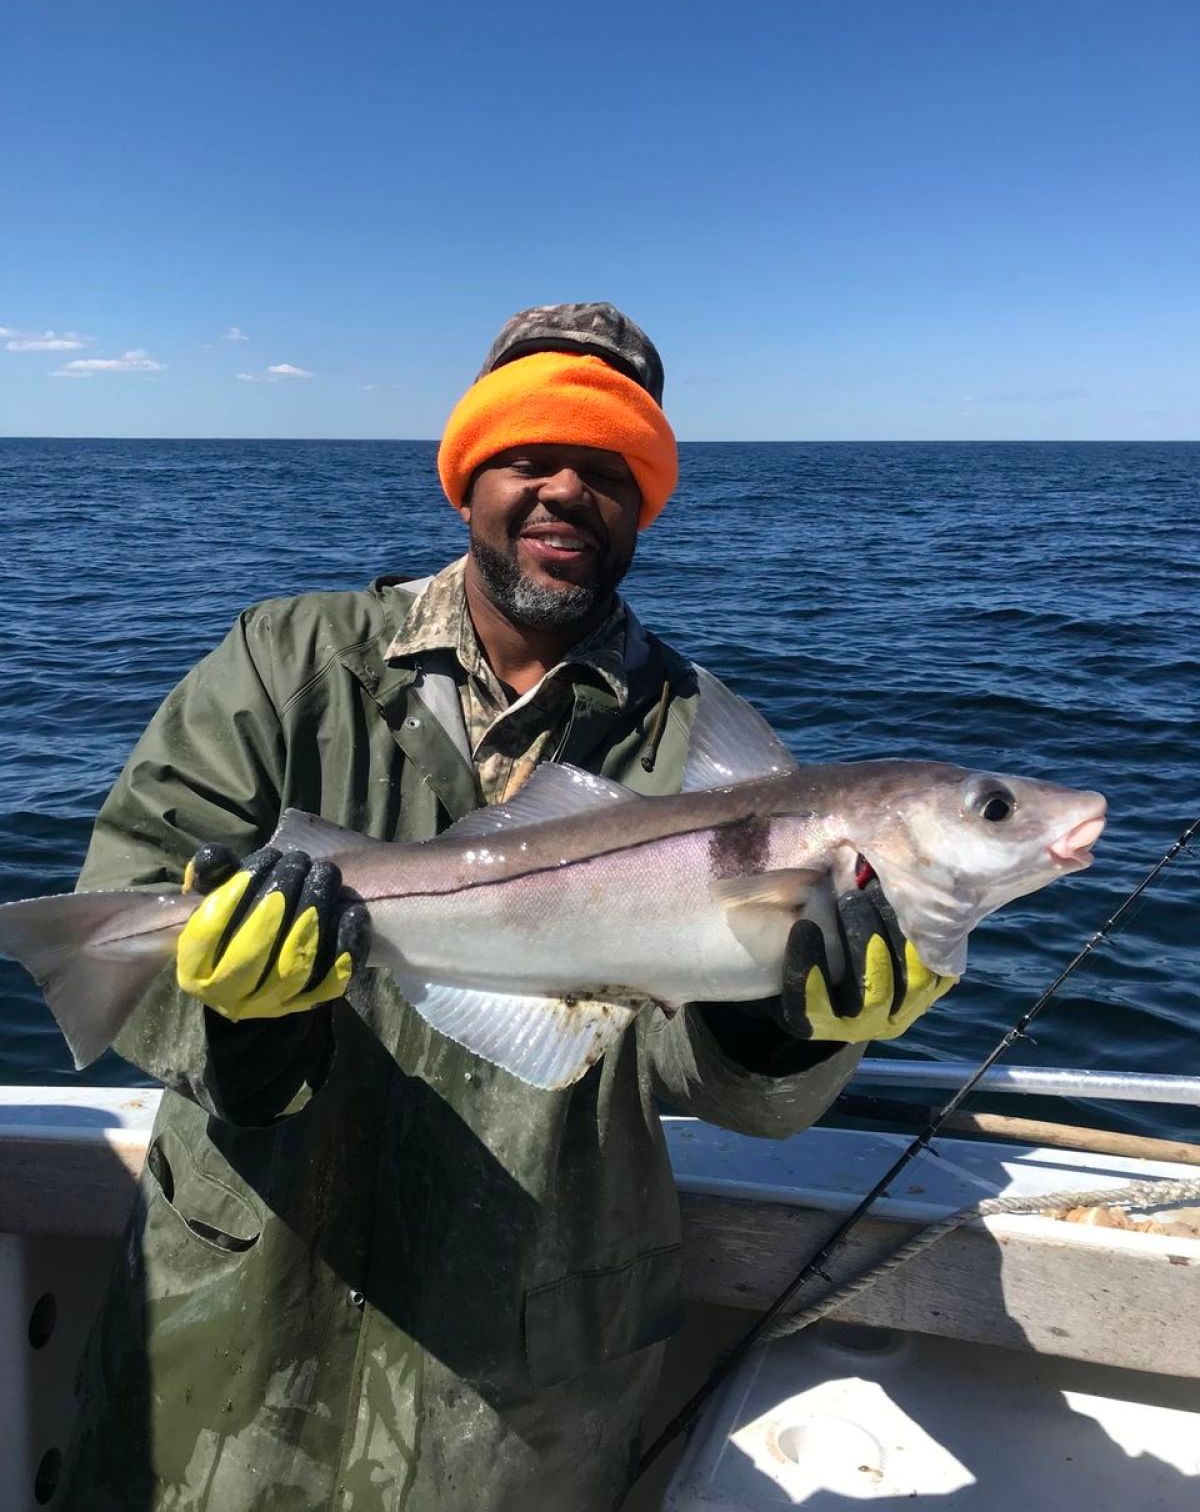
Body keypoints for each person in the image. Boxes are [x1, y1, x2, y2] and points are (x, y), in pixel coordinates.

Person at [61, 304, 955, 1512]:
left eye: (610, 466)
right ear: (467, 476)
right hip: (242, 1306)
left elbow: (702, 1078)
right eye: (532, 453)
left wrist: (780, 1022)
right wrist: (245, 1024)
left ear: (645, 502)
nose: (565, 491)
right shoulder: (288, 658)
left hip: (524, 1359)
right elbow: (129, 894)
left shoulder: (709, 744)